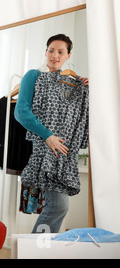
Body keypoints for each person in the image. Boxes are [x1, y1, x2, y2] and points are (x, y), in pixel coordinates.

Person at [14, 34, 89, 233]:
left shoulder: (76, 84)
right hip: (46, 150)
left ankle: (41, 251)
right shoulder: (34, 76)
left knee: (58, 207)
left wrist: (89, 88)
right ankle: (35, 251)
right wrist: (48, 135)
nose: (54, 55)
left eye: (60, 52)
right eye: (51, 50)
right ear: (45, 52)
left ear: (68, 55)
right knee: (58, 206)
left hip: (65, 154)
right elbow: (21, 112)